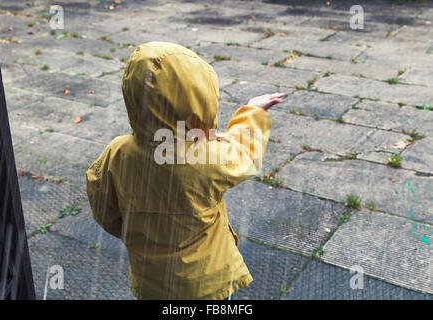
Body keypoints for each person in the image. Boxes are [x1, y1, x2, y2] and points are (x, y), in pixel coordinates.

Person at [86, 41, 285, 300]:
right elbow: (244, 152)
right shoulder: (207, 157)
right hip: (207, 281)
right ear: (200, 96)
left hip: (152, 281)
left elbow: (103, 207)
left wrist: (132, 232)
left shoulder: (118, 152)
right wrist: (252, 113)